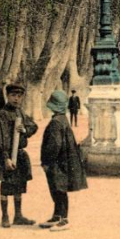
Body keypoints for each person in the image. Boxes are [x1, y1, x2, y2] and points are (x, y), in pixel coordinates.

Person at [0, 84, 38, 227]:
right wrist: (6, 158)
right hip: (7, 156)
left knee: (19, 185)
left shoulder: (20, 113)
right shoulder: (2, 114)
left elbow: (33, 126)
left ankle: (18, 215)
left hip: (20, 154)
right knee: (6, 186)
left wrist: (24, 130)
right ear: (7, 96)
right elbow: (0, 138)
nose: (16, 99)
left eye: (19, 96)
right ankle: (5, 216)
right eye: (13, 96)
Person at [37, 89, 86, 230]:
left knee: (58, 189)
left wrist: (46, 162)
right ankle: (57, 215)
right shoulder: (63, 119)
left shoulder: (55, 123)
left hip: (56, 162)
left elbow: (54, 145)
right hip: (64, 160)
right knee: (59, 188)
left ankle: (63, 219)